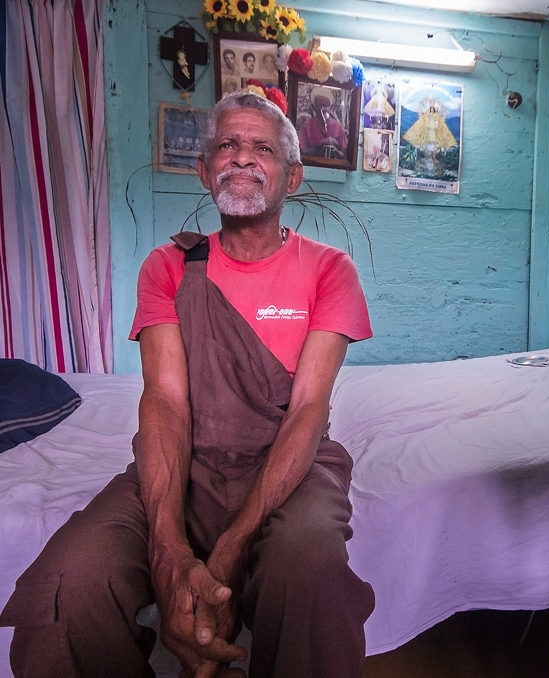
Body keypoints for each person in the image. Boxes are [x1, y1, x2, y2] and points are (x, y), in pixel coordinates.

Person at [0, 92, 375, 678]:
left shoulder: (330, 269)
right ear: (205, 171)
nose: (242, 159)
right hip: (184, 462)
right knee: (70, 584)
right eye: (227, 146)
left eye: (263, 149)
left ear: (293, 177)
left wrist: (231, 548)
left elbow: (307, 409)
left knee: (310, 573)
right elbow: (167, 404)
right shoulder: (170, 266)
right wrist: (170, 550)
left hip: (289, 464)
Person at [297, 87, 348, 159]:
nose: (322, 109)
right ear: (314, 107)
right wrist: (321, 143)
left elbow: (345, 156)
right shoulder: (307, 126)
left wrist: (336, 152)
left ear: (330, 107)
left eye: (325, 105)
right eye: (319, 105)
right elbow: (301, 153)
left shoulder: (338, 127)